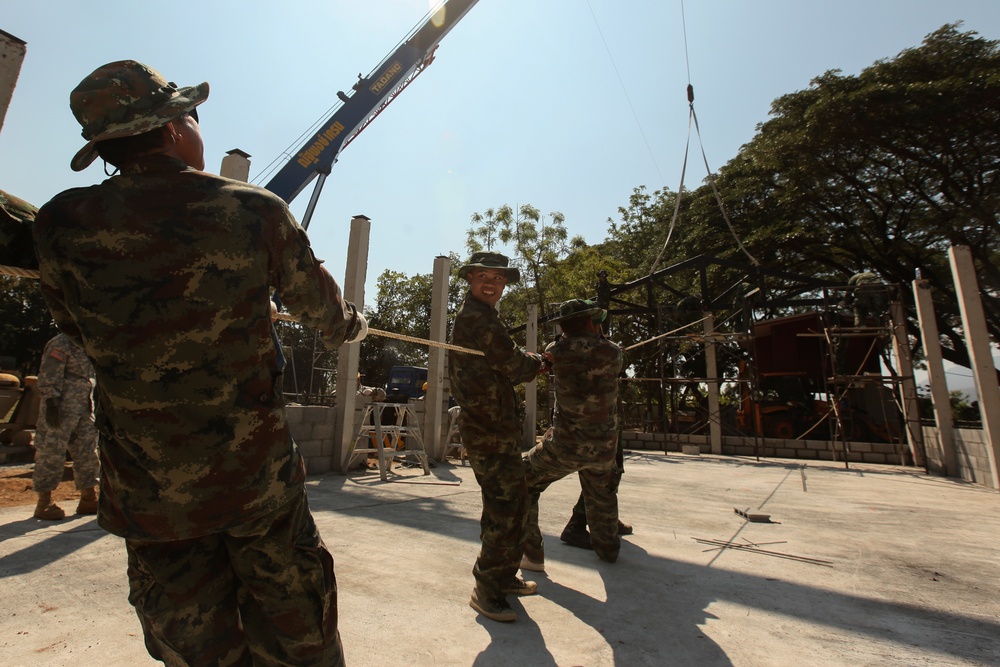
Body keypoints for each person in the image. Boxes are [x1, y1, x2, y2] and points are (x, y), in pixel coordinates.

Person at [31, 60, 367, 666]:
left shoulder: (59, 223)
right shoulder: (251, 210)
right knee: (299, 640)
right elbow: (326, 314)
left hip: (150, 494)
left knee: (195, 650)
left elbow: (75, 324)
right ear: (174, 128)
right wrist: (352, 323)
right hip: (254, 485)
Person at [449, 251, 546, 623]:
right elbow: (513, 364)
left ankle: (502, 577)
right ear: (471, 279)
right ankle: (487, 590)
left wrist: (529, 360)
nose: (490, 283)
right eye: (483, 276)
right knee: (506, 508)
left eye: (498, 278)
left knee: (511, 503)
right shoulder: (478, 318)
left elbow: (504, 359)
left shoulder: (485, 316)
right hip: (486, 429)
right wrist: (538, 362)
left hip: (496, 427)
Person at [521, 299, 624, 570]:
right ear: (591, 322)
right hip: (604, 449)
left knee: (521, 480)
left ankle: (531, 553)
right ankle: (608, 550)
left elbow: (556, 357)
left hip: (565, 447)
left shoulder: (556, 350)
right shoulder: (613, 352)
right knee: (601, 497)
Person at [31, 332, 100, 521]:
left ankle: (88, 497)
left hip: (85, 408)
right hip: (60, 409)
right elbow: (49, 374)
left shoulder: (89, 342)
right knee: (51, 453)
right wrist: (52, 402)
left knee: (88, 452)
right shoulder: (61, 343)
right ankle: (44, 503)